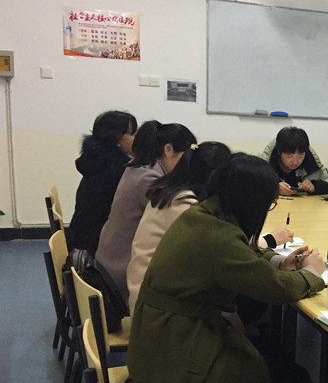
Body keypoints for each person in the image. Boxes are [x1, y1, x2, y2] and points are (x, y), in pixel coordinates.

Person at [126, 153, 326, 383]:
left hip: (158, 338)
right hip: (174, 353)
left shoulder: (204, 214)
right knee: (285, 381)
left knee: (270, 363)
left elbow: (242, 252)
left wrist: (279, 261)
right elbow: (276, 289)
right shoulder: (217, 236)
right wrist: (313, 274)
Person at [95, 121, 196, 306]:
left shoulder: (138, 168)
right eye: (186, 155)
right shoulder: (149, 179)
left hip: (109, 262)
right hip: (121, 274)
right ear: (168, 149)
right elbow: (182, 221)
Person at [126, 141, 232, 311]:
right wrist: (269, 240)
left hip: (149, 294)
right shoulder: (183, 204)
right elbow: (222, 249)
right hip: (156, 309)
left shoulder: (171, 191)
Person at [68, 111, 137, 256]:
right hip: (93, 249)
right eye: (132, 134)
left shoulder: (97, 162)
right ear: (116, 138)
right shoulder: (113, 170)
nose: (137, 139)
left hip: (82, 241)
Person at [260, 126, 328, 196]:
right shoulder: (264, 164)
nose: (295, 162)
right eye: (289, 156)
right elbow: (254, 185)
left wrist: (315, 186)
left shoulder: (312, 164)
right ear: (279, 152)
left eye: (300, 156)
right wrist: (275, 188)